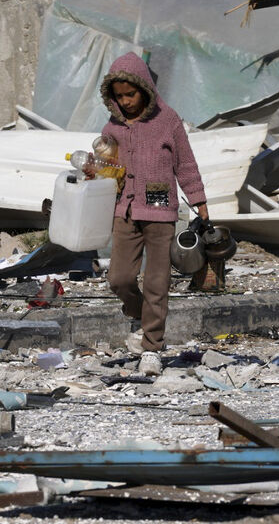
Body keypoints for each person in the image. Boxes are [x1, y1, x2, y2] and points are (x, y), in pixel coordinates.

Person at [99, 52, 208, 354]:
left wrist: (199, 200)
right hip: (125, 210)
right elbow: (105, 163)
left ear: (144, 88)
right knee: (119, 279)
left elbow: (185, 164)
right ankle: (138, 314)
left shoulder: (167, 120)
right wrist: (95, 168)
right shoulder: (113, 127)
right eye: (119, 96)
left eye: (130, 94)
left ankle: (152, 347)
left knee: (157, 284)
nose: (125, 102)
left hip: (160, 212)